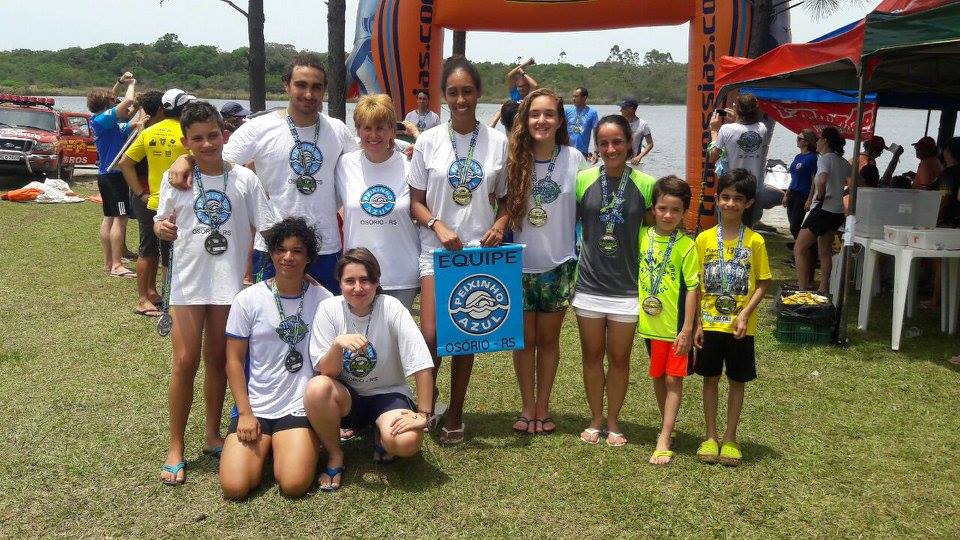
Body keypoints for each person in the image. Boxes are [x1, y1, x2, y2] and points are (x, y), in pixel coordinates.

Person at [153, 101, 277, 486]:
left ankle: (211, 434)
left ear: (224, 134)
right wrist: (161, 229)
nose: (207, 144)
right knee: (184, 361)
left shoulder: (244, 179)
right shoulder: (176, 177)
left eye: (213, 135)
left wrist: (292, 260)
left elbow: (268, 227)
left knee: (218, 359)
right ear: (186, 142)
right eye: (197, 139)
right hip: (187, 285)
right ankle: (176, 446)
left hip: (228, 286)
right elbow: (161, 221)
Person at [166, 53, 358, 293]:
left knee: (327, 314)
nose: (309, 94)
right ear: (286, 85)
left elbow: (363, 165)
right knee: (269, 315)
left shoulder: (338, 130)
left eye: (316, 87)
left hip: (326, 247)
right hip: (273, 246)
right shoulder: (259, 128)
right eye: (301, 85)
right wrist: (187, 158)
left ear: (324, 90)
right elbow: (217, 161)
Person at [408, 55, 509, 444]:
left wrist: (499, 225)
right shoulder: (428, 141)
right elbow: (416, 203)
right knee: (432, 335)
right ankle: (427, 405)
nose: (461, 99)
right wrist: (437, 224)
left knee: (466, 336)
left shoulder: (498, 142)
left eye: (468, 91)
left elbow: (507, 199)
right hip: (436, 250)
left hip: (476, 253)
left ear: (479, 93)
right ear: (443, 96)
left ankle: (455, 412)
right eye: (453, 92)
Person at [220, 218, 333, 499]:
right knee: (235, 487)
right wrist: (245, 413)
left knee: (293, 485)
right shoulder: (248, 299)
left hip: (298, 406)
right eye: (281, 249)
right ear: (271, 253)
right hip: (256, 406)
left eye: (297, 251)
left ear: (309, 257)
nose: (288, 257)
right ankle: (271, 447)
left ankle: (290, 445)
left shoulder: (324, 299)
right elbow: (234, 361)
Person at [304, 248, 435, 491]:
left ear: (376, 282)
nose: (357, 288)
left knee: (407, 442)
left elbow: (421, 362)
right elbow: (327, 373)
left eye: (365, 280)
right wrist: (337, 345)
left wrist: (423, 414)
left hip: (388, 395)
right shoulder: (329, 309)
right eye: (349, 281)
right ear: (340, 284)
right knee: (317, 388)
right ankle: (335, 454)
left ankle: (380, 431)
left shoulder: (391, 307)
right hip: (348, 399)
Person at [503, 88, 586, 434]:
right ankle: (527, 407)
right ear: (525, 119)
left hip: (559, 265)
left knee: (549, 341)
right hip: (518, 266)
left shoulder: (575, 158)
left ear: (560, 120)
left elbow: (588, 207)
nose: (542, 120)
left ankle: (543, 407)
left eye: (549, 114)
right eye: (535, 114)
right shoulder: (513, 159)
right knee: (524, 341)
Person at [572, 115, 655, 447]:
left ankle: (614, 421)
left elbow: (656, 230)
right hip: (589, 286)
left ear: (629, 143)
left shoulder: (647, 184)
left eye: (617, 142)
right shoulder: (583, 179)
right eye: (603, 143)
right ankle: (595, 419)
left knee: (620, 359)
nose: (610, 149)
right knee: (592, 356)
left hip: (627, 289)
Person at [693, 168, 772, 467]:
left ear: (748, 203)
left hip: (741, 327)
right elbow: (695, 284)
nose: (730, 204)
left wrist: (745, 314)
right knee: (710, 379)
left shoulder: (755, 241)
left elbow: (763, 283)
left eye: (738, 199)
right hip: (710, 323)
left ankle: (730, 437)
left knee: (737, 381)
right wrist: (697, 323)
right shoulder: (703, 239)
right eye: (725, 197)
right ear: (717, 199)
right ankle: (710, 436)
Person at [335, 94, 420, 310]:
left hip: (401, 274)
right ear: (357, 130)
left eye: (380, 128)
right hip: (357, 276)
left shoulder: (411, 164)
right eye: (367, 128)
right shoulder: (344, 165)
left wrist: (419, 145)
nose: (373, 135)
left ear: (392, 129)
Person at [637, 176, 699, 465]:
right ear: (653, 208)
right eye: (662, 208)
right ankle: (668, 426)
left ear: (684, 212)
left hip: (675, 326)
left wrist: (687, 328)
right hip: (650, 324)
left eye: (675, 210)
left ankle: (663, 437)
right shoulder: (643, 236)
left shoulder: (686, 245)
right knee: (659, 376)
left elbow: (693, 288)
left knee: (674, 378)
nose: (668, 215)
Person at [119, 88, 193, 317]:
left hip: (152, 201)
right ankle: (165, 299)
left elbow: (124, 163)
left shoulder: (149, 132)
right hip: (180, 201)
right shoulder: (187, 133)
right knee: (173, 252)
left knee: (148, 249)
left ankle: (149, 295)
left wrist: (140, 193)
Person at [119, 90, 165, 316]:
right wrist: (140, 194)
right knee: (147, 246)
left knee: (156, 247)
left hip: (156, 197)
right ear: (160, 110)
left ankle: (152, 291)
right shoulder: (144, 134)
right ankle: (142, 299)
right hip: (146, 196)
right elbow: (124, 163)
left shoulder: (150, 131)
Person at [88, 71, 137, 278]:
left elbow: (129, 118)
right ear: (107, 104)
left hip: (106, 175)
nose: (114, 100)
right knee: (120, 218)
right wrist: (131, 83)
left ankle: (109, 263)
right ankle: (117, 265)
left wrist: (119, 82)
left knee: (109, 217)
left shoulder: (103, 121)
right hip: (114, 175)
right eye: (112, 100)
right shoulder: (103, 119)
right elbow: (128, 101)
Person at [794, 127, 851, 293]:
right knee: (825, 251)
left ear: (825, 141)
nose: (817, 142)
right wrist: (841, 192)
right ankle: (823, 288)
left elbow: (822, 178)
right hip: (837, 212)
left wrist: (821, 194)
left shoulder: (824, 159)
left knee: (799, 248)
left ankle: (802, 289)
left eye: (819, 139)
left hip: (823, 209)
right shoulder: (843, 161)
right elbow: (857, 181)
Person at [783, 128, 818, 240]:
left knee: (795, 226)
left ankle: (803, 246)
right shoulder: (798, 157)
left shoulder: (812, 158)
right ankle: (800, 247)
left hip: (802, 195)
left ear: (807, 142)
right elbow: (794, 178)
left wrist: (809, 199)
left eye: (799, 138)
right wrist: (786, 195)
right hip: (792, 193)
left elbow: (814, 181)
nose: (797, 140)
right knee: (792, 225)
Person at [565, 87, 599, 159]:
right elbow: (561, 129)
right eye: (573, 96)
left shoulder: (592, 113)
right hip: (567, 150)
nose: (573, 99)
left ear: (584, 97)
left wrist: (596, 152)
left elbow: (596, 133)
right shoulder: (568, 111)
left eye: (576, 96)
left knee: (581, 167)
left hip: (582, 152)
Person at [619, 98, 654, 167]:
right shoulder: (617, 123)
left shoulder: (643, 124)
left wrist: (639, 157)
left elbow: (650, 144)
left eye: (623, 108)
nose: (620, 110)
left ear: (631, 109)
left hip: (634, 162)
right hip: (618, 161)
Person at [937, 137, 960, 228]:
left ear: (950, 152)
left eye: (946, 149)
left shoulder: (948, 173)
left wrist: (936, 217)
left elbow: (944, 197)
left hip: (949, 220)